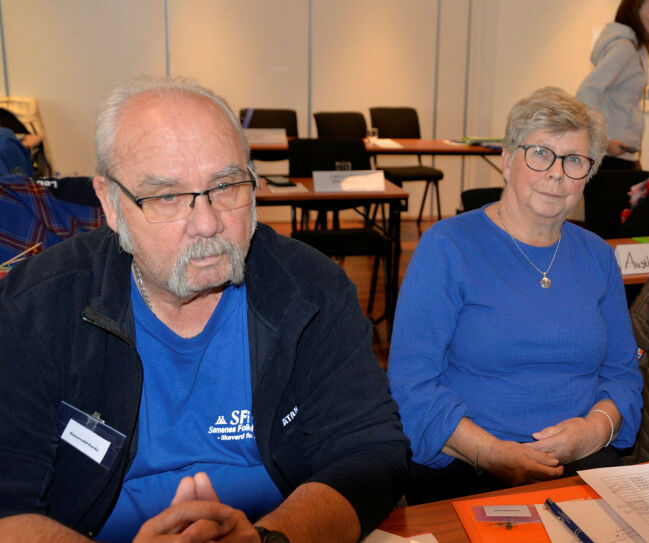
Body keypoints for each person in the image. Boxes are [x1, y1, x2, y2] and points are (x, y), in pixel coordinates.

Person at [0, 77, 408, 543]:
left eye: (226, 185)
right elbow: (7, 505)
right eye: (167, 196)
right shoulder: (39, 305)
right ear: (111, 204)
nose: (208, 222)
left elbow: (371, 454)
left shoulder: (310, 289)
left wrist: (268, 538)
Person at [387, 87, 642, 504]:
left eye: (574, 160)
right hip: (465, 462)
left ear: (588, 175)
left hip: (582, 461)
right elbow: (410, 385)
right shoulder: (448, 247)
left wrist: (593, 431)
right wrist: (492, 452)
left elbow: (623, 377)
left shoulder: (597, 255)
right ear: (507, 161)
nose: (557, 173)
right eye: (540, 153)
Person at [577, 0, 649, 170]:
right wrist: (603, 141)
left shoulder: (635, 49)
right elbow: (587, 91)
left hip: (622, 156)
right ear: (635, 14)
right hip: (611, 159)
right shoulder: (624, 49)